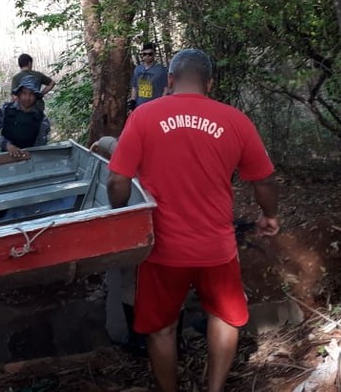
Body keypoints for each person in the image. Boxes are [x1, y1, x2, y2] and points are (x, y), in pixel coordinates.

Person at [106, 49, 280, 392]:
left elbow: (117, 181)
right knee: (224, 318)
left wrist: (121, 214)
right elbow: (264, 180)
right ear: (209, 83)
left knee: (162, 327)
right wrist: (270, 215)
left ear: (169, 80)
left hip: (162, 250)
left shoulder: (143, 117)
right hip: (217, 248)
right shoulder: (235, 120)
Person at [0, 76, 51, 158]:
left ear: (36, 96)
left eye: (31, 94)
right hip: (6, 157)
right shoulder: (6, 110)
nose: (27, 98)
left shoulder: (42, 119)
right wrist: (7, 145)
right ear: (19, 94)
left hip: (30, 159)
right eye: (24, 93)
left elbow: (41, 147)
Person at [128, 42, 169, 111]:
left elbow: (166, 88)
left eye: (150, 54)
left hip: (154, 107)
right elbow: (134, 87)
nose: (147, 56)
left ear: (154, 54)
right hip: (139, 106)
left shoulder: (161, 70)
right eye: (145, 54)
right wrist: (132, 104)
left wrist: (161, 104)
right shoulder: (138, 69)